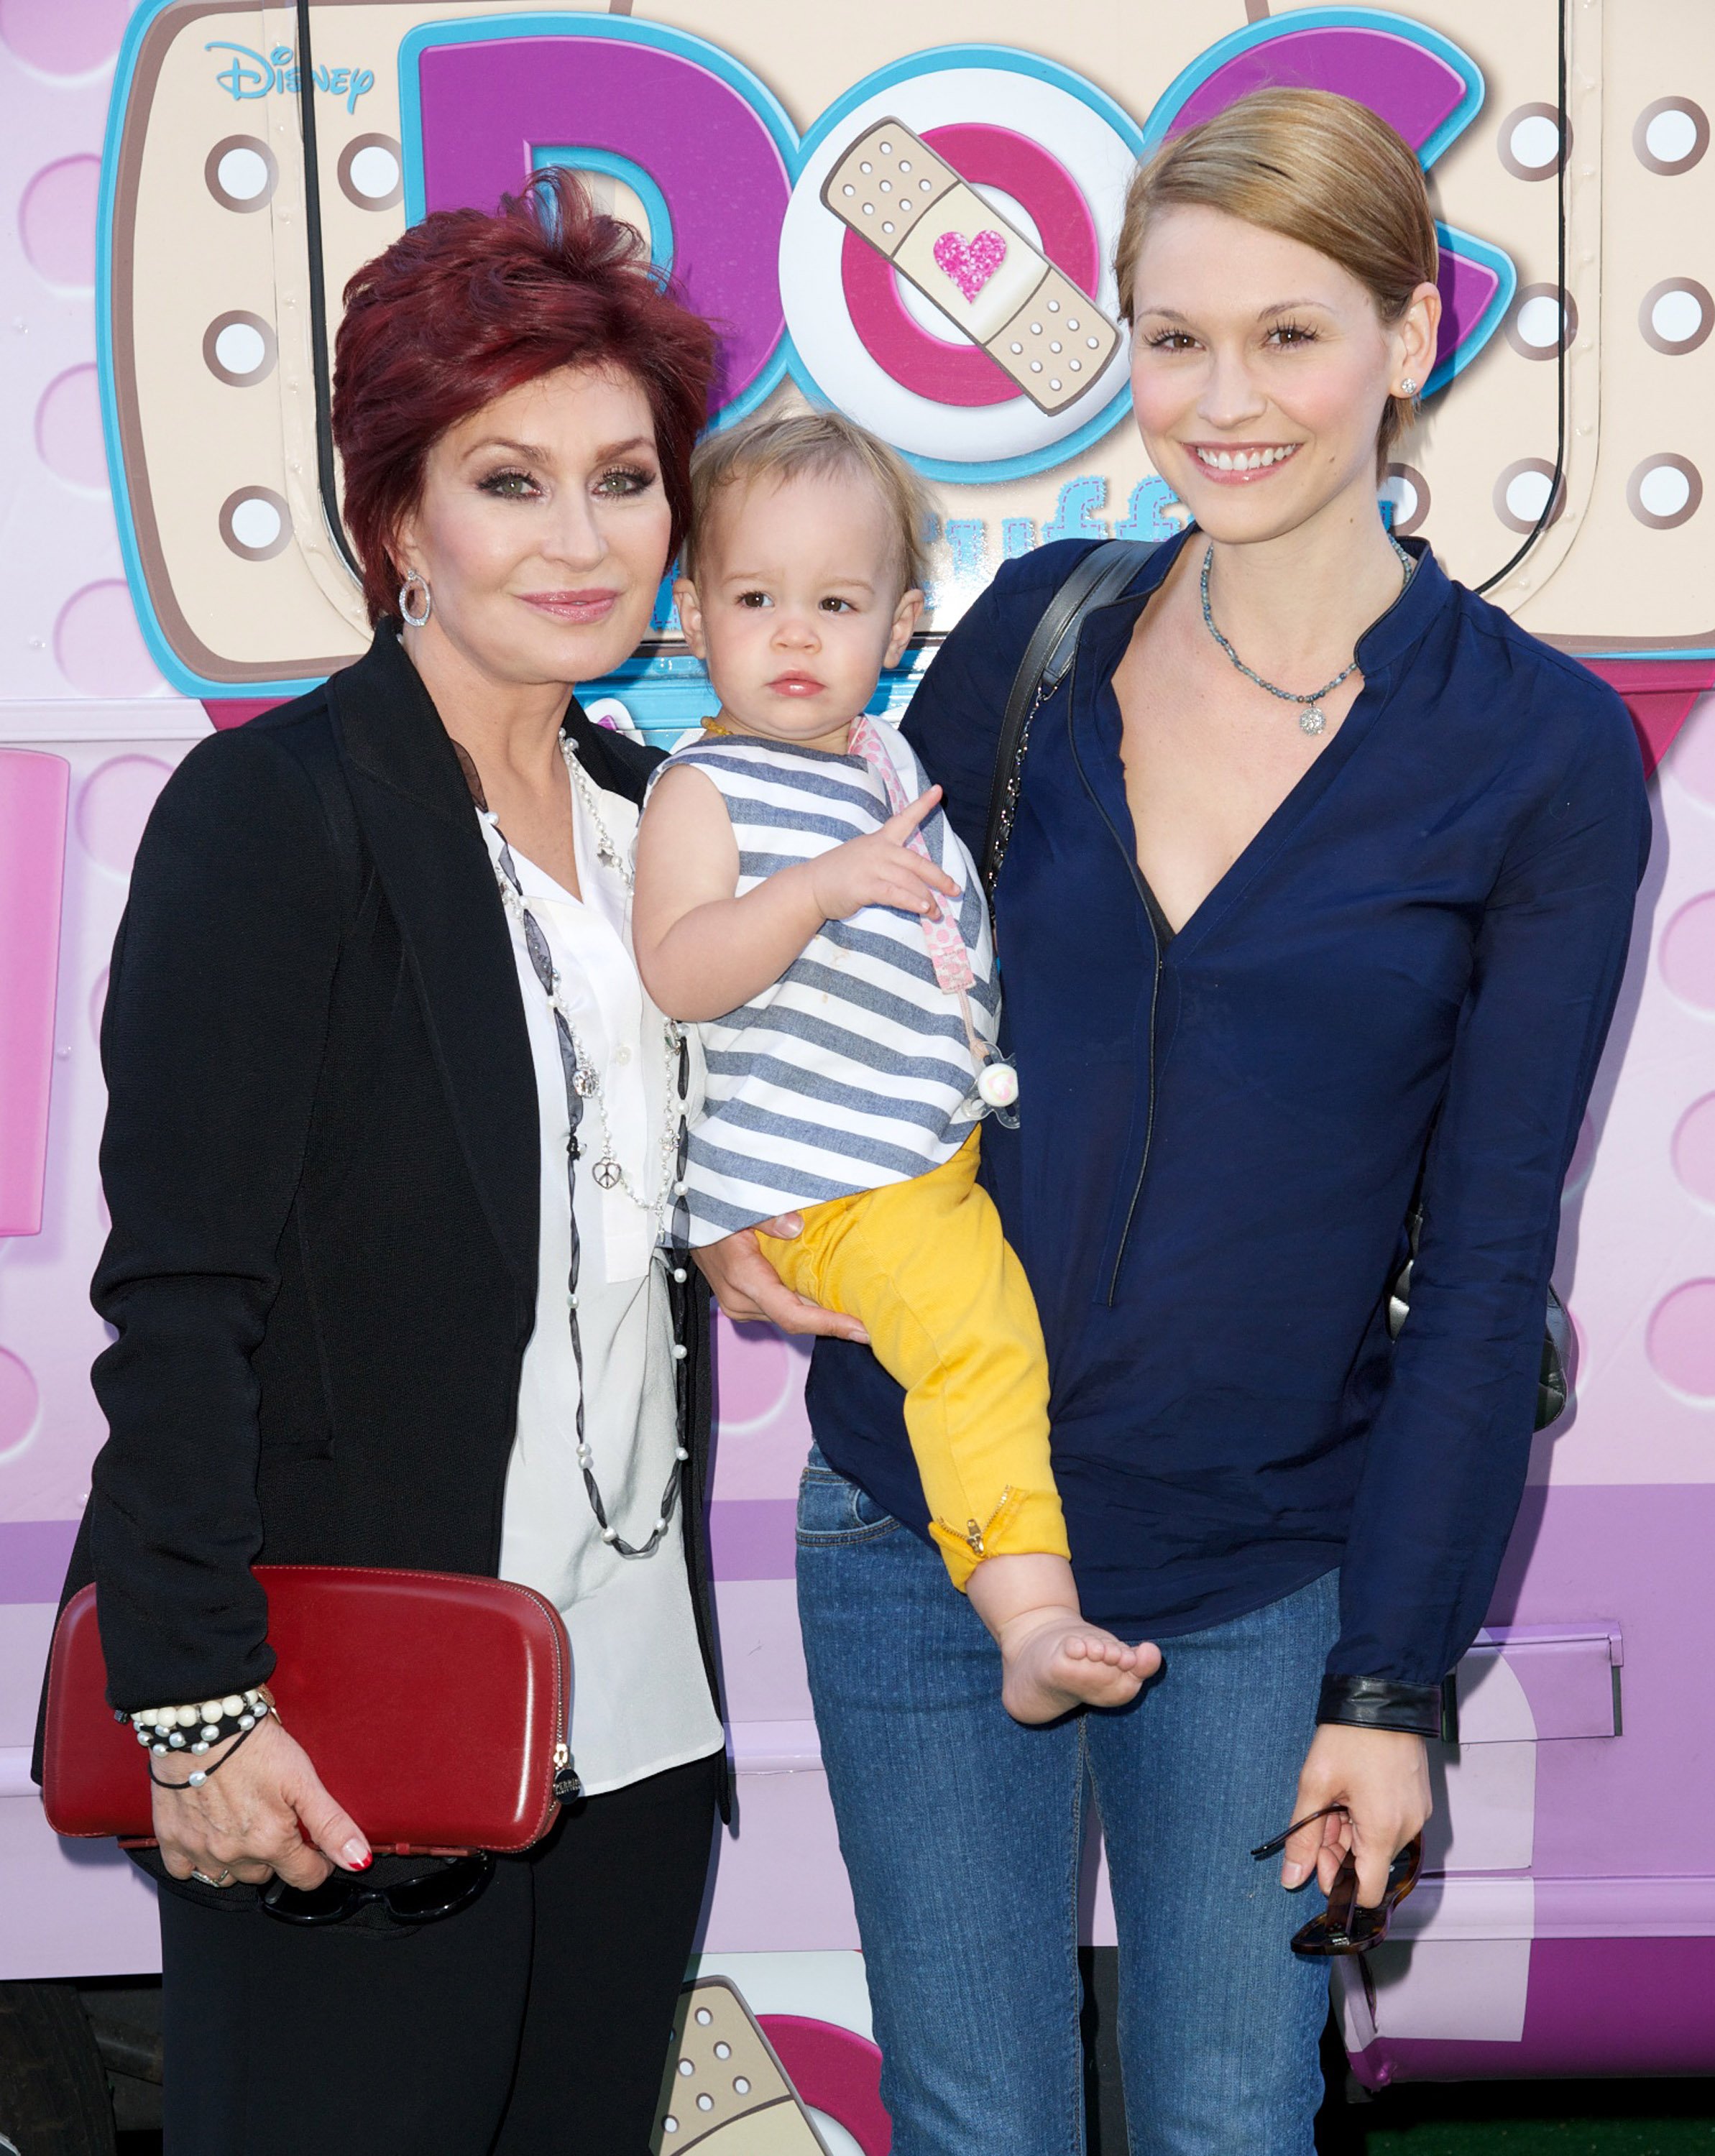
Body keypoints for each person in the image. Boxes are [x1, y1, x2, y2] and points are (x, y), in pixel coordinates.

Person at [696, 90, 1651, 2153]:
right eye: (1173, 336)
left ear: (1412, 338)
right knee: (973, 2119)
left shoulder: (1540, 756)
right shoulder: (1037, 637)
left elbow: (1487, 1264)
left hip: (1261, 1570)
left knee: (1230, 2118)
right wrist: (734, 1218)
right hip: (920, 1527)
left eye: (1289, 336)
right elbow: (803, 957)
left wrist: (1390, 1687)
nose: (1222, 402)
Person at [42, 172, 726, 2154]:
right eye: (509, 481)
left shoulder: (655, 822)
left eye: (626, 477)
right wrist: (197, 1709)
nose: (583, 539)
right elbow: (179, 1294)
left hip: (633, 1725)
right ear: (395, 517)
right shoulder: (280, 812)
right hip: (340, 1715)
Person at [633, 412, 1151, 1722]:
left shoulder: (885, 758)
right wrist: (810, 892)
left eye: (835, 602)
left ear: (901, 619)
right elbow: (681, 972)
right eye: (755, 599)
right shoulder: (708, 790)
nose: (794, 635)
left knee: (998, 1321)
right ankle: (1027, 1618)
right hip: (832, 1178)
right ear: (691, 616)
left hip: (919, 1148)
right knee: (977, 1343)